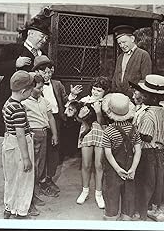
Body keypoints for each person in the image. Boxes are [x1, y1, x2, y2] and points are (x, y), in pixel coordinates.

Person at [0, 16, 50, 137]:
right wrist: (15, 63)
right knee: (14, 133)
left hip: (35, 101)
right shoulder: (12, 48)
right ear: (30, 33)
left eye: (46, 38)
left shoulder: (44, 54)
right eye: (41, 36)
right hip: (14, 98)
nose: (44, 40)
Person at [33, 55, 83, 197]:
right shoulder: (34, 86)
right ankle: (40, 180)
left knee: (54, 151)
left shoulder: (57, 84)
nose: (47, 75)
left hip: (56, 120)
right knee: (41, 152)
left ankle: (49, 178)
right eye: (44, 72)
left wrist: (72, 95)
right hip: (41, 121)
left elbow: (66, 102)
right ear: (37, 72)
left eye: (49, 72)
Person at [129, 75, 164, 221]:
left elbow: (146, 136)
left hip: (147, 152)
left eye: (145, 94)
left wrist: (134, 131)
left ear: (152, 97)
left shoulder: (148, 114)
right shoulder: (160, 111)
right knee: (157, 181)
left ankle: (140, 213)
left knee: (144, 183)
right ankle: (156, 210)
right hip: (159, 152)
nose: (142, 95)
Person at [1, 70, 38, 219]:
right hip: (20, 146)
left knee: (11, 177)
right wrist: (26, 157)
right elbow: (21, 134)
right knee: (24, 178)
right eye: (31, 89)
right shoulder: (18, 110)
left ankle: (9, 207)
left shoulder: (8, 103)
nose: (32, 91)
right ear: (24, 91)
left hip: (9, 142)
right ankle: (21, 210)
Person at [101, 93, 142, 221]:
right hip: (129, 167)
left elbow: (108, 153)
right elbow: (138, 150)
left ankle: (112, 216)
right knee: (129, 193)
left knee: (111, 193)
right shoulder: (134, 129)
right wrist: (133, 168)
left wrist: (118, 169)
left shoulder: (108, 131)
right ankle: (126, 216)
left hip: (113, 170)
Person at [21, 74, 58, 209]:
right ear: (30, 88)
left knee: (41, 165)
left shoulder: (43, 100)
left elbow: (50, 117)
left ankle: (37, 189)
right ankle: (30, 196)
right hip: (33, 135)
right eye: (39, 88)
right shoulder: (24, 103)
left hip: (44, 134)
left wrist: (54, 134)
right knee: (33, 166)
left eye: (42, 88)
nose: (41, 90)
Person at [75, 76, 112, 209]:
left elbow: (103, 123)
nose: (95, 92)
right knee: (85, 164)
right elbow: (79, 120)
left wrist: (98, 112)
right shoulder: (85, 100)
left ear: (105, 92)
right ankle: (85, 191)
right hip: (87, 132)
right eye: (94, 89)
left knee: (99, 165)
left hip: (101, 132)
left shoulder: (106, 103)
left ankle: (98, 193)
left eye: (99, 90)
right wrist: (80, 116)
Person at [111, 25, 152, 98]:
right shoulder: (120, 57)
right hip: (119, 97)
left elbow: (146, 79)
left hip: (134, 98)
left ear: (132, 39)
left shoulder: (143, 55)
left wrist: (139, 96)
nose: (122, 46)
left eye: (124, 42)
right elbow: (115, 77)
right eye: (119, 43)